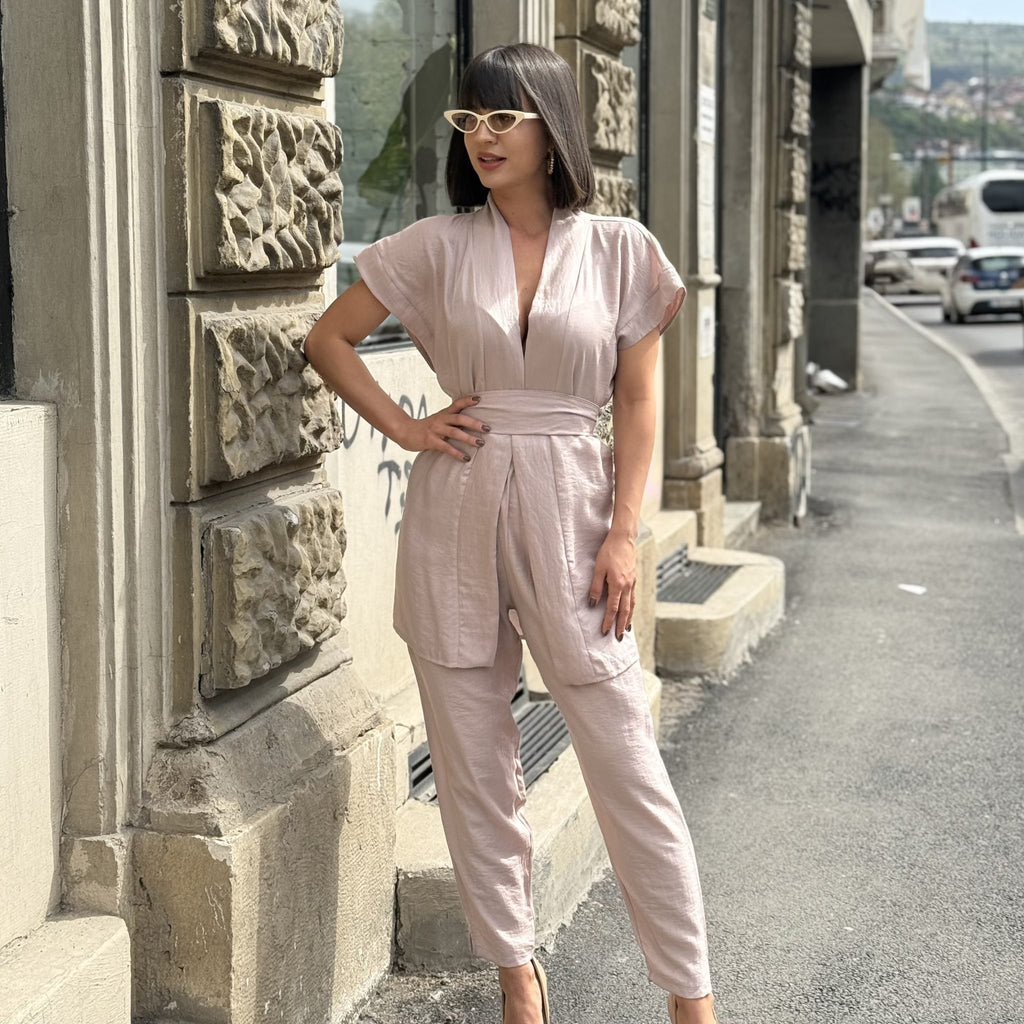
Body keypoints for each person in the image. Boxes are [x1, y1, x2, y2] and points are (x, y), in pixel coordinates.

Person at [303, 43, 718, 1024]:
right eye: (469, 121)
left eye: (504, 116)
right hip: (456, 504)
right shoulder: (436, 245)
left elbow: (639, 402)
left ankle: (690, 995)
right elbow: (327, 336)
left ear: (551, 125)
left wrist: (626, 533)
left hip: (576, 513)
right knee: (476, 768)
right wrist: (407, 425)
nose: (483, 136)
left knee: (625, 760)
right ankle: (518, 981)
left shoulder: (620, 249)